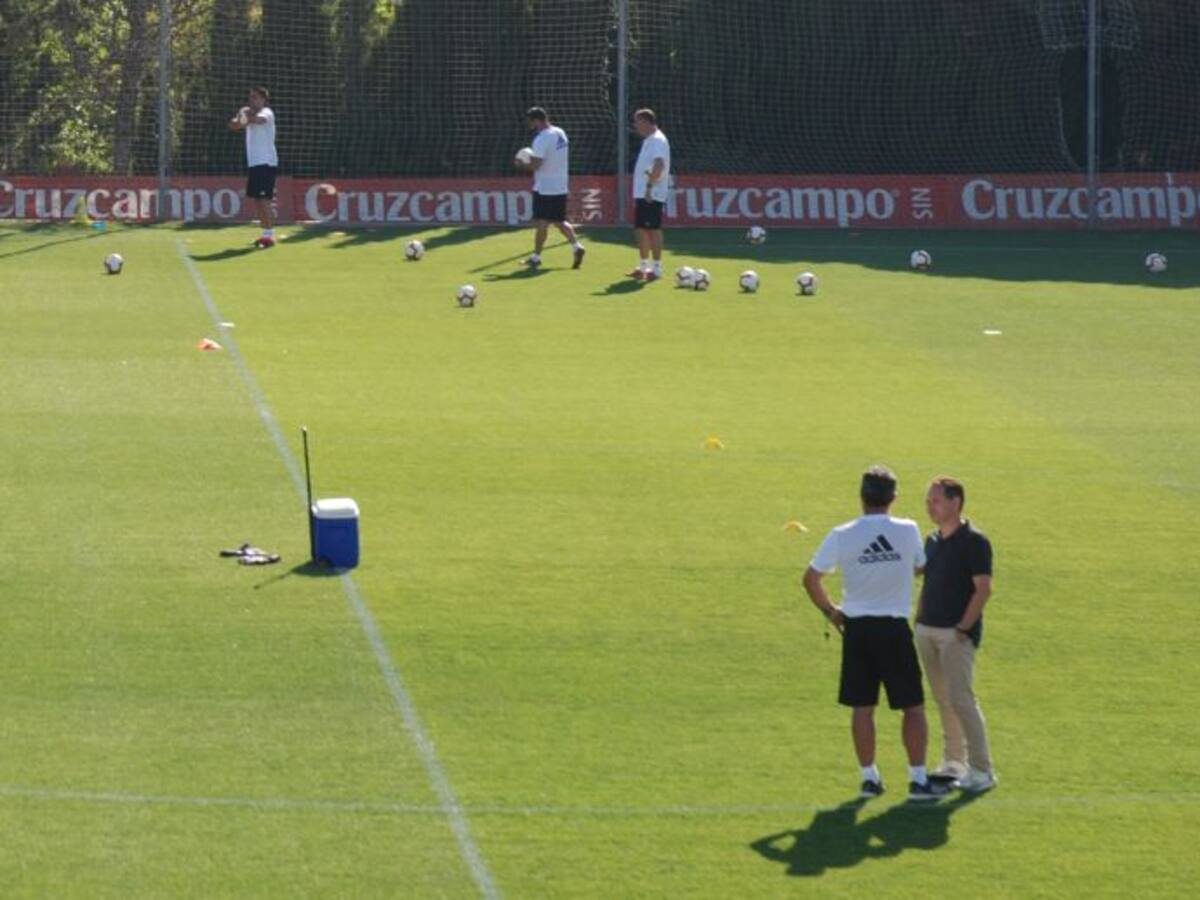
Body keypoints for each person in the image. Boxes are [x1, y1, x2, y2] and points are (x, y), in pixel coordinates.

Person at [803, 466, 947, 802]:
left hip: (856, 629)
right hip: (893, 629)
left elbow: (811, 579)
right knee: (912, 706)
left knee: (862, 707)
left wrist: (831, 612)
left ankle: (869, 778)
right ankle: (917, 779)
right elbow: (921, 567)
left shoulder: (842, 533)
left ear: (861, 496)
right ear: (893, 498)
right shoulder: (908, 529)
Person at [915, 477, 997, 792]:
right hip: (927, 629)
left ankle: (981, 769)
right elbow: (925, 574)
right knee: (942, 698)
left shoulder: (975, 541)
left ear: (955, 502)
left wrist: (964, 627)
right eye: (928, 500)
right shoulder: (931, 540)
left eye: (935, 500)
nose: (929, 506)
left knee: (962, 699)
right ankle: (954, 761)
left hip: (955, 634)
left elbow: (983, 588)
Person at [514, 107, 584, 270]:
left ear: (536, 120)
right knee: (560, 221)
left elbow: (536, 165)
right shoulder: (560, 132)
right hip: (560, 185)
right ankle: (577, 246)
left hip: (545, 187)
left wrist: (521, 164)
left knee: (541, 223)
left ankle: (536, 258)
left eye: (530, 121)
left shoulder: (542, 139)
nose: (529, 125)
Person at [228, 86, 278, 249]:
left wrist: (246, 116)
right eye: (251, 97)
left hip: (266, 162)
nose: (252, 100)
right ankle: (265, 235)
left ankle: (270, 236)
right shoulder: (248, 112)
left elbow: (259, 120)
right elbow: (233, 126)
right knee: (258, 200)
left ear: (263, 99)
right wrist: (240, 118)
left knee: (264, 200)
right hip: (255, 162)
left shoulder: (267, 112)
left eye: (256, 97)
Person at [628, 108, 670, 281]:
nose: (635, 126)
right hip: (644, 193)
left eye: (637, 122)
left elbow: (659, 165)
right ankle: (643, 266)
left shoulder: (658, 140)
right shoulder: (649, 140)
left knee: (653, 229)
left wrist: (649, 187)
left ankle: (657, 269)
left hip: (651, 193)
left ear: (646, 122)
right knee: (641, 229)